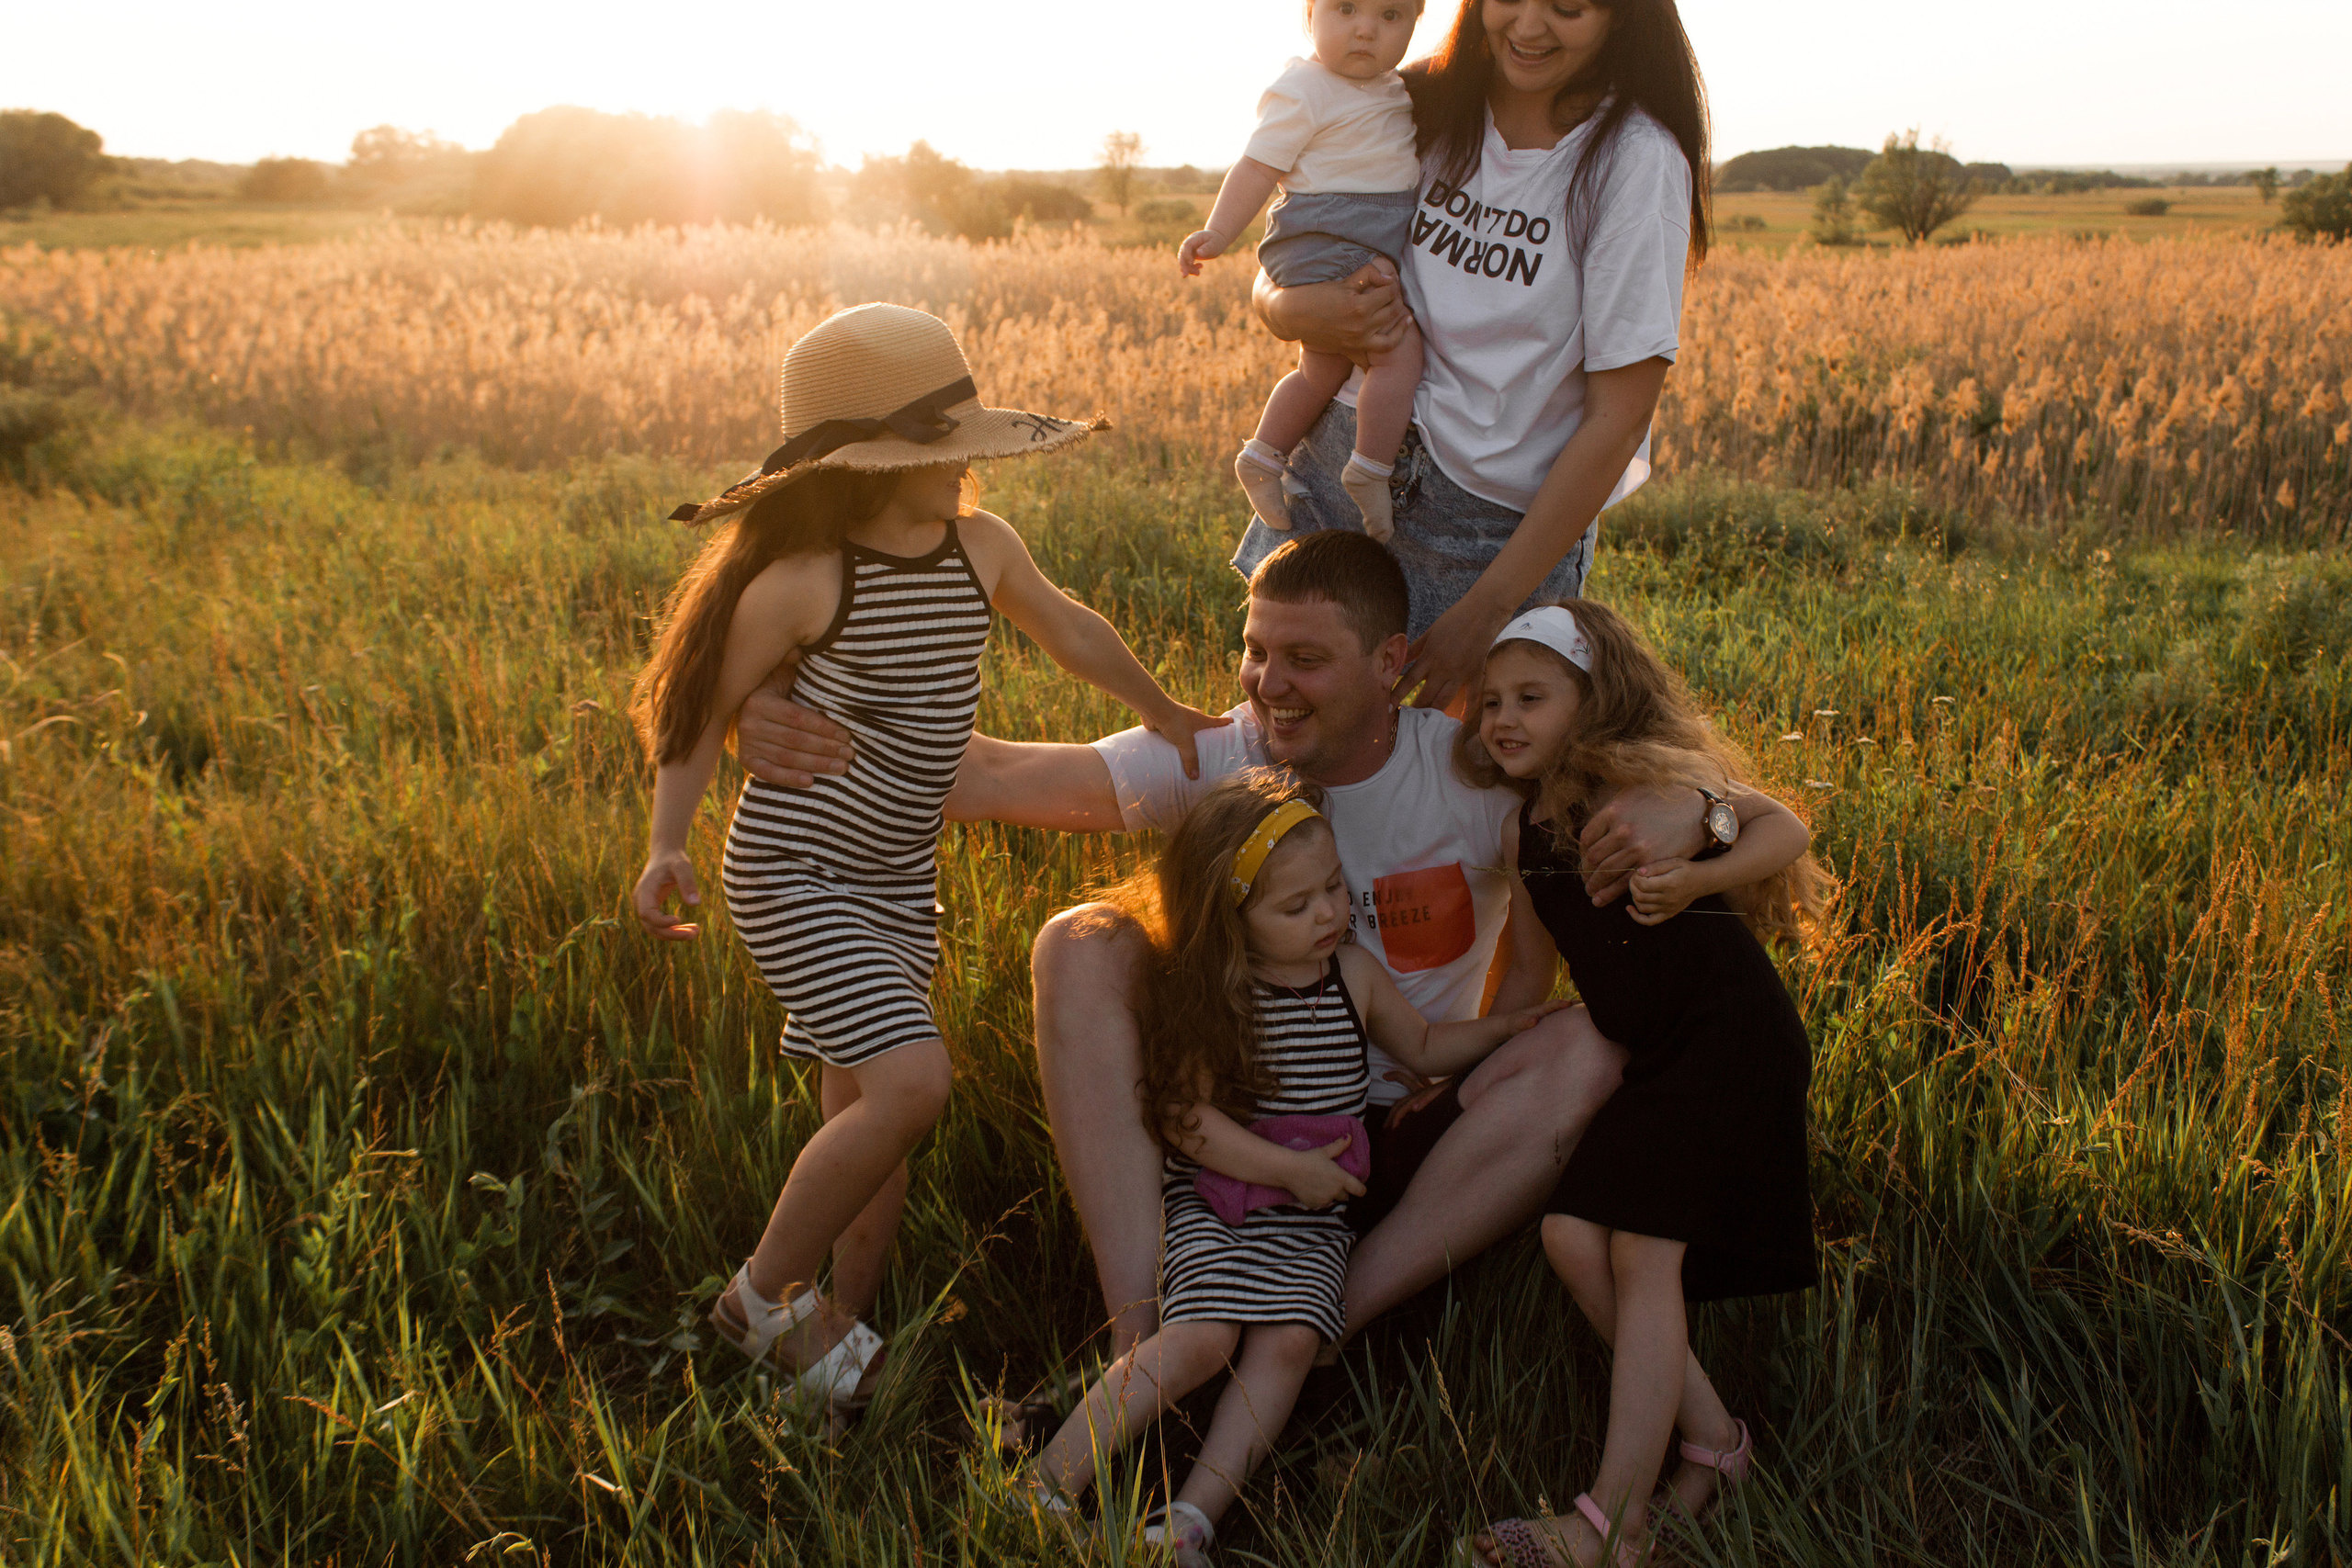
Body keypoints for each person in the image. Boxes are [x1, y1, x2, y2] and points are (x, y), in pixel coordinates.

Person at [734, 530, 1718, 1370]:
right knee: (1080, 941)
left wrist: (1696, 813)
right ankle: (1145, 1342)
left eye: (1303, 658)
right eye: (1254, 651)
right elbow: (983, 776)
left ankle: (1328, 1332)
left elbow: (1624, 828)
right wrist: (770, 692)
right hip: (1232, 1133)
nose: (1265, 684)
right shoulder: (1224, 757)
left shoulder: (1465, 770)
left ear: (1388, 663)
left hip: (1406, 1125)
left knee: (1586, 1049)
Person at [627, 302, 1223, 1424]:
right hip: (795, 871)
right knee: (912, 1085)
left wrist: (1161, 709)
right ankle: (760, 1299)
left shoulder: (979, 548)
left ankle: (835, 1336)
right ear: (867, 469)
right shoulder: (804, 579)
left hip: (898, 879)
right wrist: (666, 844)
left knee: (868, 1116)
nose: (961, 470)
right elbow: (699, 709)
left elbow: (1068, 627)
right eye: (935, 454)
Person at [1024, 769, 1569, 1563]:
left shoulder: (1352, 975)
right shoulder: (1223, 995)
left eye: (1332, 890)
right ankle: (1048, 1478)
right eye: (1297, 905)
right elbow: (1188, 1122)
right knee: (1201, 1338)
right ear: (1231, 919)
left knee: (1285, 1345)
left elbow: (1421, 1047)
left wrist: (1511, 1028)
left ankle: (1192, 1517)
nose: (1328, 914)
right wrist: (1287, 1170)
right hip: (1230, 1201)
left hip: (1313, 1221)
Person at [1457, 603, 1823, 1568]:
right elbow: (1529, 979)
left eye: (1532, 698)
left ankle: (1609, 1525)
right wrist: (1457, 1065)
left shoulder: (1636, 786)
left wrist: (1700, 880)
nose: (1504, 718)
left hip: (1731, 1041)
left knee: (1641, 1253)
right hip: (1660, 1059)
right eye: (1490, 701)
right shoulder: (1519, 833)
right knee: (1574, 1236)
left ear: (1592, 700)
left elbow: (1784, 825)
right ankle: (1717, 1450)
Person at [1249, 0, 1713, 712]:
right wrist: (1284, 309)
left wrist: (1487, 608)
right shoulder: (1419, 100)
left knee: (1460, 796)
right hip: (1340, 471)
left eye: (1566, 7)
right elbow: (1295, 237)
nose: (1528, 27)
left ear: (1620, 16)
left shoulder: (1634, 161)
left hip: (1486, 534)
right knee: (1289, 758)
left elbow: (1618, 421)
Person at [1179, 0, 1428, 542]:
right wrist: (1219, 233)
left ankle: (1263, 455)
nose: (1365, 29)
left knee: (1323, 369)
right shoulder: (1305, 87)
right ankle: (1370, 470)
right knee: (1399, 349)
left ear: (1416, 24)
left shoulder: (1394, 86)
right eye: (1346, 9)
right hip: (1327, 231)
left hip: (1355, 232)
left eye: (1391, 17)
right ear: (1309, 14)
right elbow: (1258, 165)